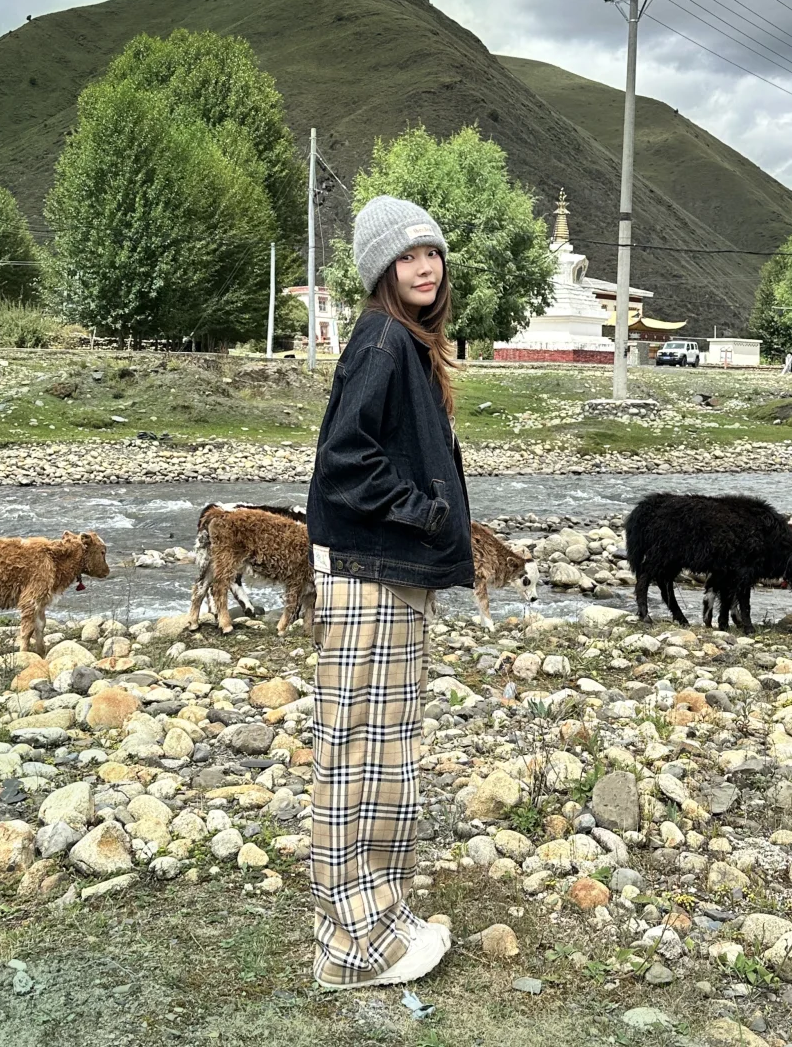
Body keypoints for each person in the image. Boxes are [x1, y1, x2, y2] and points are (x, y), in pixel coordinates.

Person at [306, 195, 474, 991]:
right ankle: (350, 941)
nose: (425, 266)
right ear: (382, 269)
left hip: (388, 573)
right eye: (407, 257)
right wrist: (425, 512)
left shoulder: (406, 343)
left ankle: (380, 907)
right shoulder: (381, 338)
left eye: (432, 253)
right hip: (370, 570)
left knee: (387, 751)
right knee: (359, 755)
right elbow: (343, 460)